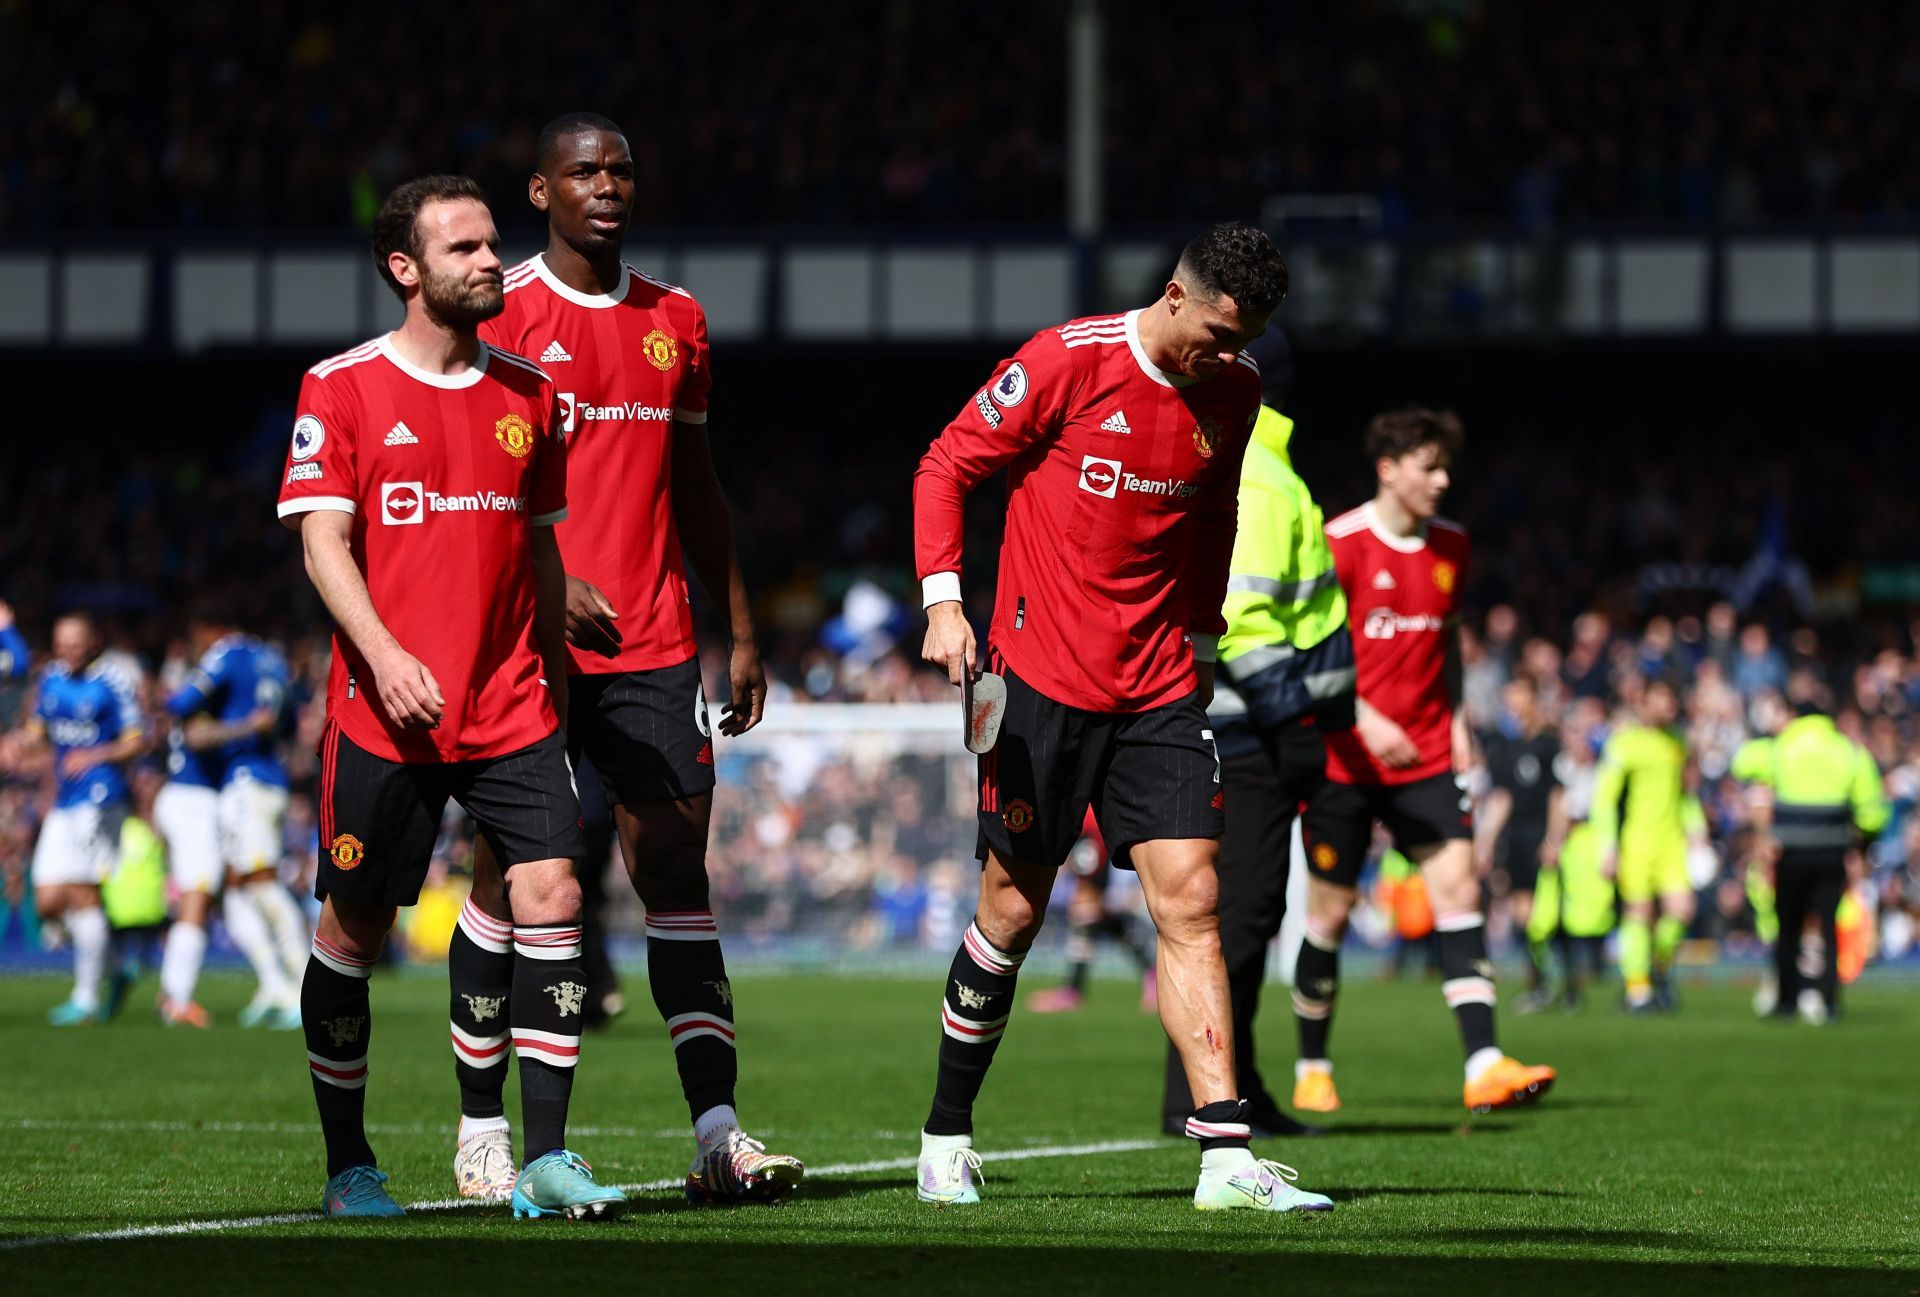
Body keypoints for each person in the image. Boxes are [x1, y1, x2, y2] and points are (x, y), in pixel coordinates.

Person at [913, 221, 1331, 1214]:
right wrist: (941, 601)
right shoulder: (1067, 360)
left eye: (1250, 342)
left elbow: (1215, 511)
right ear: (1177, 296)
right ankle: (944, 1135)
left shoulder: (1235, 392)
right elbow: (947, 465)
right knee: (1011, 912)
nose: (1231, 357)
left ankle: (1226, 1156)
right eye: (1222, 335)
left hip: (1157, 689)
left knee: (1190, 899)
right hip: (1040, 681)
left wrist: (1199, 633)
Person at [467, 112, 800, 1206]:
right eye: (583, 172)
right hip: (526, 644)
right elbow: (474, 488)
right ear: (539, 193)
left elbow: (697, 485)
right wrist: (544, 583)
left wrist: (740, 627)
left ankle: (717, 1133)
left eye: (621, 170)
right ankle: (485, 1130)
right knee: (518, 881)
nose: (607, 186)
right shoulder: (500, 309)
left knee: (675, 877)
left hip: (656, 644)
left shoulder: (679, 319)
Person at [276, 173, 622, 1220]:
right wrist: (382, 656)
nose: (489, 262)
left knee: (555, 894)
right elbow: (322, 542)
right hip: (384, 716)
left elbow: (539, 547)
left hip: (512, 706)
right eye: (465, 249)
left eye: (489, 243)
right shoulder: (338, 389)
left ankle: (547, 1154)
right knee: (354, 932)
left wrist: (564, 660)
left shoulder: (530, 394)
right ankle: (350, 1165)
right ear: (405, 269)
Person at [1294, 409, 1555, 1115]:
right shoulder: (1339, 543)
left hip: (1429, 756)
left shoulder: (1452, 547)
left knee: (1460, 893)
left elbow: (1444, 645)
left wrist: (1459, 724)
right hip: (1344, 758)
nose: (1442, 481)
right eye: (1429, 467)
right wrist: (1364, 718)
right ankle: (1312, 1064)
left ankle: (1483, 1062)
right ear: (1389, 468)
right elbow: (1310, 651)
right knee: (1330, 913)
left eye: (1447, 469)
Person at [1157, 327, 1351, 1138]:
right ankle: (1208, 1098)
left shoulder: (1255, 464)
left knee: (1240, 916)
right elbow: (1250, 618)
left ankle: (1227, 1086)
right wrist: (1299, 725)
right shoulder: (1265, 474)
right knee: (1235, 918)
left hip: (1240, 726)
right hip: (1251, 735)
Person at [165, 602, 306, 1028]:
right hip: (269, 778)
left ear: (210, 630)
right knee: (241, 886)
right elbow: (286, 722)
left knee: (261, 883)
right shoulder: (274, 659)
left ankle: (305, 987)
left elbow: (182, 701)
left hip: (247, 781)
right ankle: (274, 985)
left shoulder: (226, 653)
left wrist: (180, 705)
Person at [0, 611, 146, 1024]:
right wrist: (18, 743)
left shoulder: (112, 682)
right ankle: (117, 965)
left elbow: (138, 740)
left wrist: (95, 754)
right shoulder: (51, 679)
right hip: (65, 799)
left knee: (82, 891)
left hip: (101, 797)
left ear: (93, 642)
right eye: (61, 644)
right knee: (46, 899)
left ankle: (85, 999)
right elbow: (37, 730)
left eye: (75, 643)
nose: (67, 651)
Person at [1731, 699, 1889, 1023]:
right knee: (1827, 925)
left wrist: (1774, 735)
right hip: (1832, 852)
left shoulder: (1781, 747)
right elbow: (1872, 812)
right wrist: (1862, 846)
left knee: (1788, 925)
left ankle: (1786, 1001)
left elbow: (1741, 762)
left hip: (1791, 852)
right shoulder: (1848, 751)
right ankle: (1828, 1002)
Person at [1592, 679, 1694, 1011]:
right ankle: (1637, 989)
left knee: (1681, 911)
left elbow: (1686, 794)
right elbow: (1604, 799)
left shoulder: (1678, 742)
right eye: (1661, 699)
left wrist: (1697, 829)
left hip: (1672, 842)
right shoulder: (1625, 743)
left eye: (1671, 699)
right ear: (1644, 703)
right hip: (1637, 841)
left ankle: (1658, 969)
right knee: (1639, 913)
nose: (1669, 706)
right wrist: (1607, 845)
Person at [1475, 674, 1563, 1011]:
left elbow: (1557, 795)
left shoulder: (1547, 744)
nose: (1511, 705)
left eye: (1518, 697)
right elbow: (1501, 800)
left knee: (1549, 915)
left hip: (1542, 837)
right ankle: (1540, 982)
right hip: (1517, 839)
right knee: (1523, 914)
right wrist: (1485, 844)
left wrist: (1554, 838)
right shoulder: (1504, 748)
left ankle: (1565, 981)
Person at [1027, 810, 1157, 1014]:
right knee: (1095, 919)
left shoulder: (1088, 820)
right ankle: (1151, 974)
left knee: (1087, 915)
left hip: (1094, 831)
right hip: (1094, 832)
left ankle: (1073, 990)